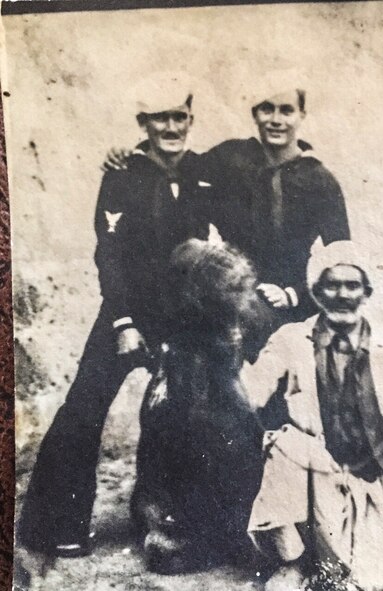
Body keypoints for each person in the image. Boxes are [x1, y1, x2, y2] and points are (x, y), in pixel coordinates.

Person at [17, 77, 210, 558]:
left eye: (179, 117)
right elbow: (110, 252)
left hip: (184, 315)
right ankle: (56, 524)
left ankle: (182, 520)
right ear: (142, 124)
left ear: (190, 119)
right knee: (83, 409)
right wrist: (123, 322)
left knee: (192, 409)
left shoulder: (205, 170)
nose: (171, 127)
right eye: (159, 118)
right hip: (127, 310)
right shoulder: (122, 173)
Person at [239, 242, 383, 591]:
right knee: (285, 444)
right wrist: (227, 339)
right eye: (332, 285)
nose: (342, 295)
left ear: (367, 291)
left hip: (381, 473)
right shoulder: (290, 339)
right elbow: (251, 394)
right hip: (318, 476)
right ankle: (294, 561)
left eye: (352, 285)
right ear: (316, 291)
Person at [105, 81, 350, 353]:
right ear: (255, 114)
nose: (276, 120)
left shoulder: (321, 180)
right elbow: (171, 168)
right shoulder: (230, 157)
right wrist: (131, 156)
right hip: (234, 308)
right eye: (267, 110)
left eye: (286, 111)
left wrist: (294, 295)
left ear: (301, 115)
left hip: (293, 311)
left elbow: (342, 258)